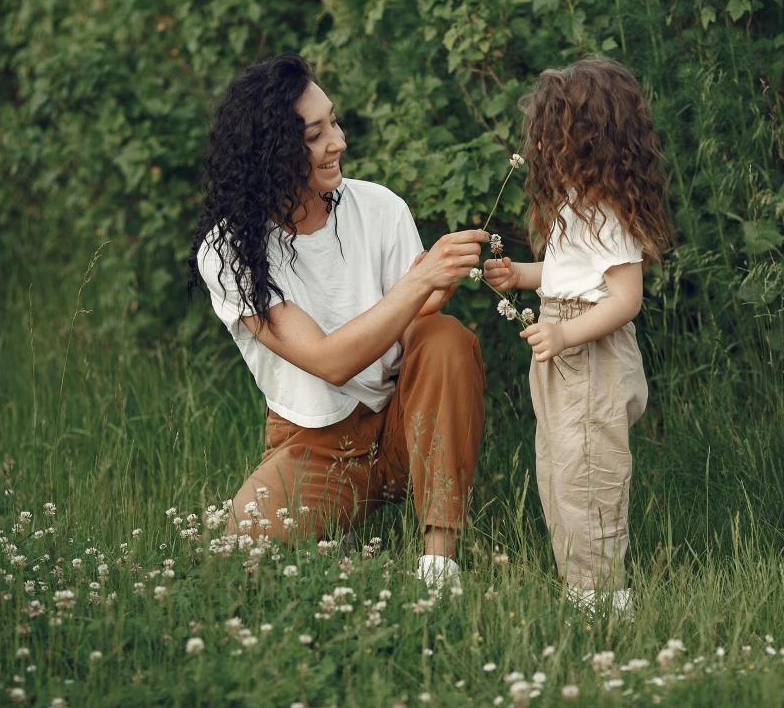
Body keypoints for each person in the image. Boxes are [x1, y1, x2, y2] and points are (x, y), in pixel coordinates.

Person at [190, 53, 489, 586]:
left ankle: (439, 564)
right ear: (271, 154)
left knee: (444, 337)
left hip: (400, 418)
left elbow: (415, 319)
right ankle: (340, 522)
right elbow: (329, 361)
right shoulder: (231, 250)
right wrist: (418, 283)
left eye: (334, 121)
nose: (338, 142)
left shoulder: (379, 207)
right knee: (240, 554)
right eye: (315, 135)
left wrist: (432, 289)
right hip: (315, 440)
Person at [483, 57, 673, 613]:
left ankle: (602, 596)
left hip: (588, 355)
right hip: (563, 347)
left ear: (590, 141)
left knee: (589, 473)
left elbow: (623, 298)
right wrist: (521, 275)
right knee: (562, 469)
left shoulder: (606, 213)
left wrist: (565, 337)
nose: (543, 148)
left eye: (554, 136)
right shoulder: (575, 206)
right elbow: (573, 275)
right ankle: (581, 585)